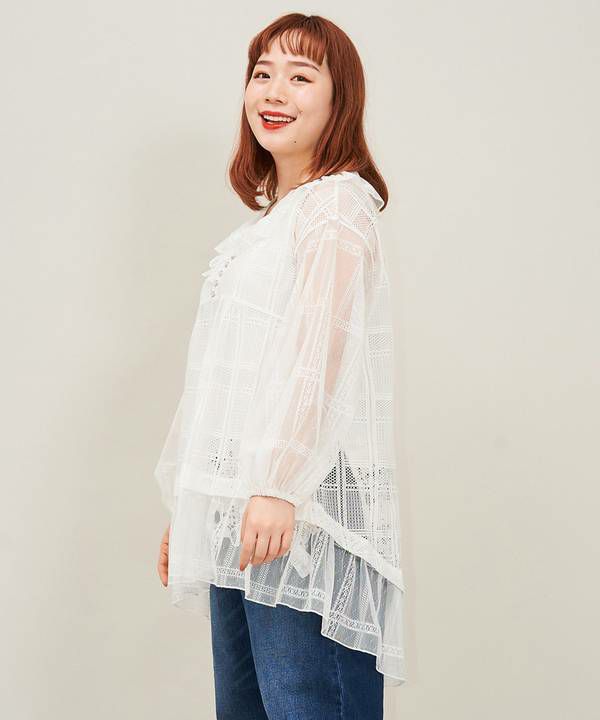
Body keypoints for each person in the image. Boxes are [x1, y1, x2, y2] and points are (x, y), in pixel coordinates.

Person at [153, 13, 406, 718]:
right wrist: (196, 507)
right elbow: (224, 379)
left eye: (301, 76)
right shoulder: (266, 228)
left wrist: (278, 485)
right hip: (247, 507)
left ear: (338, 100)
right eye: (262, 73)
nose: (274, 91)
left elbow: (318, 354)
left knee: (307, 705)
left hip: (301, 504)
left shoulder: (336, 207)